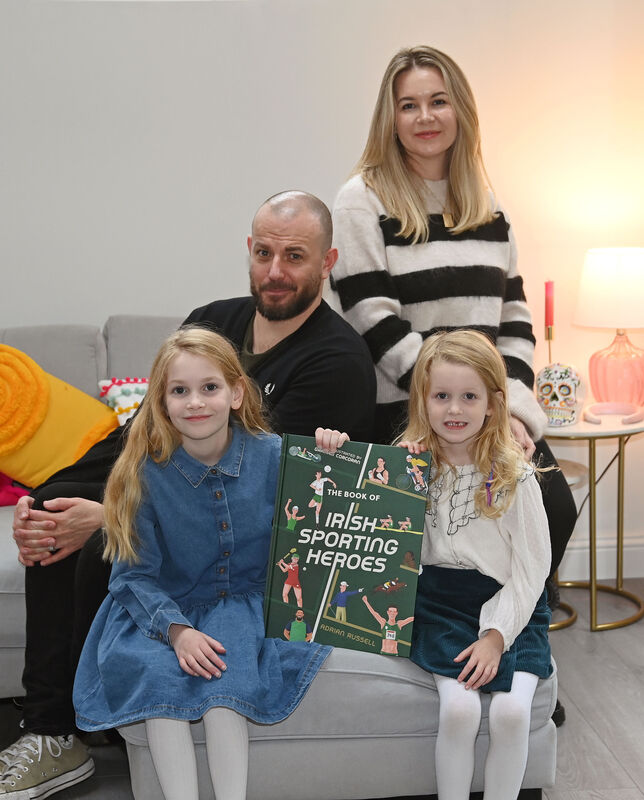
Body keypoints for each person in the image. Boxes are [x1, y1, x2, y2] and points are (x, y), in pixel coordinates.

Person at [6, 190, 376, 796]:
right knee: (52, 515)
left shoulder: (338, 360)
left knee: (101, 544)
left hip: (217, 521)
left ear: (328, 260)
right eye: (263, 252)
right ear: (247, 251)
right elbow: (143, 430)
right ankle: (51, 732)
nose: (275, 271)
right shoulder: (214, 318)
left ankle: (74, 721)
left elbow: (261, 490)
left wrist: (111, 517)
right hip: (154, 468)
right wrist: (47, 499)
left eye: (295, 256)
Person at [327, 46, 576, 646]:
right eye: (408, 105)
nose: (424, 116)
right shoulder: (362, 199)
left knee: (552, 507)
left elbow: (513, 320)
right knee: (442, 536)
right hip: (409, 410)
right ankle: (447, 646)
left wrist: (510, 407)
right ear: (390, 118)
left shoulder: (487, 207)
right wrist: (451, 398)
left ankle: (515, 647)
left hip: (489, 408)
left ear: (459, 110)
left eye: (438, 101)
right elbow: (372, 317)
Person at [71, 327, 344, 800]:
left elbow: (329, 520)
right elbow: (133, 577)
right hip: (162, 611)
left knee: (225, 691)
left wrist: (330, 461)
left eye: (210, 388)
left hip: (243, 607)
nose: (195, 402)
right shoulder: (143, 474)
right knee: (160, 691)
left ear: (237, 393)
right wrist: (176, 631)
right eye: (180, 391)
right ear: (162, 401)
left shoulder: (275, 456)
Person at [400, 329, 552, 800]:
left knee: (510, 715)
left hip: (510, 606)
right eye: (441, 396)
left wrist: (495, 636)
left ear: (493, 402)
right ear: (423, 401)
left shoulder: (514, 474)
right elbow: (360, 506)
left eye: (469, 396)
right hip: (440, 606)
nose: (454, 409)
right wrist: (340, 452)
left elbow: (532, 571)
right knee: (460, 712)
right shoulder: (410, 467)